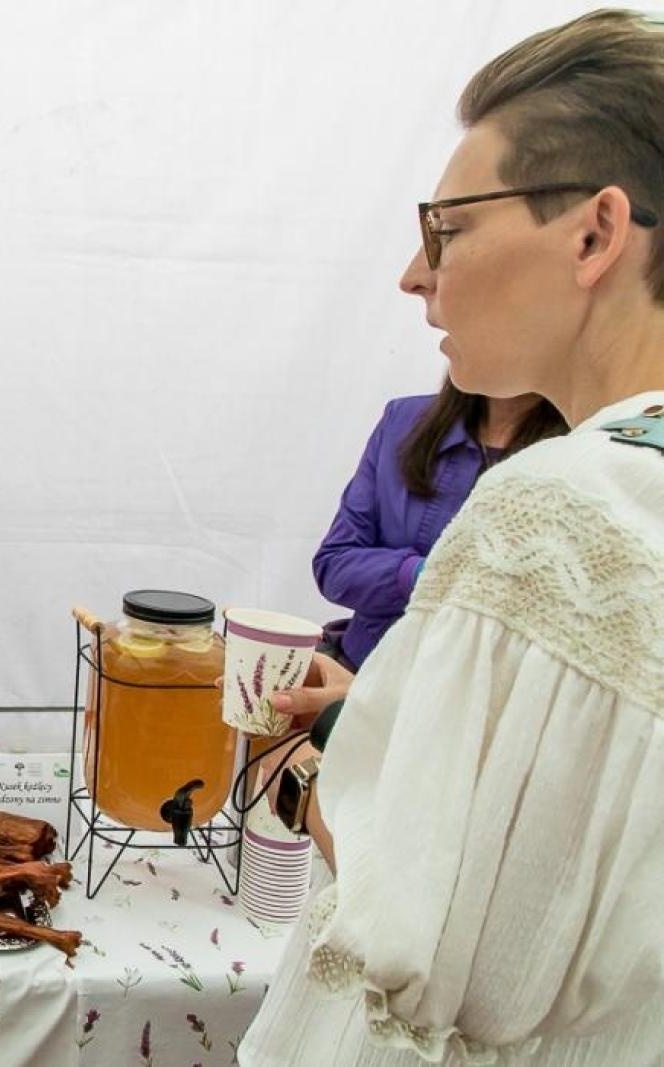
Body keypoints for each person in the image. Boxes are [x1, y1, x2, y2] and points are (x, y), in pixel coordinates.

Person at [241, 10, 664, 1063]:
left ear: (594, 234)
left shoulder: (560, 506)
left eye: (447, 228)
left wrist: (312, 766)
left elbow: (437, 949)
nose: (413, 273)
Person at [314, 382, 564, 669]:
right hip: (360, 666)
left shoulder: (582, 454)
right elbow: (334, 565)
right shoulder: (405, 418)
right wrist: (419, 574)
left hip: (475, 684)